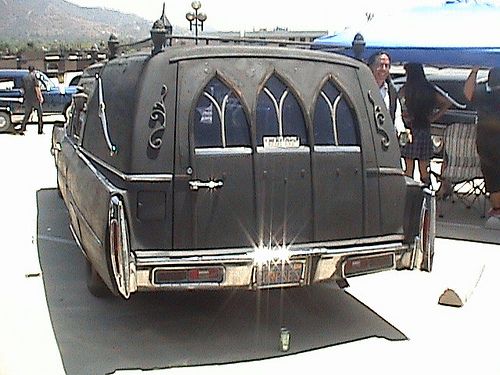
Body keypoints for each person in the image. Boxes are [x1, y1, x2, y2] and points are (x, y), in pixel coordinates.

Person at [399, 63, 451, 185]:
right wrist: (433, 117)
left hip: (408, 129)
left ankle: (409, 196)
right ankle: (426, 195)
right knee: (424, 170)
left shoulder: (406, 89)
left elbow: (398, 102)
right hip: (424, 128)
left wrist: (402, 115)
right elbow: (447, 103)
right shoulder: (429, 89)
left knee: (408, 169)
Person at [464, 66, 500, 218]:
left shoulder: (482, 91)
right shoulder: (483, 92)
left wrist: (474, 70)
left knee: (492, 179)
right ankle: (497, 209)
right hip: (488, 143)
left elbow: (467, 94)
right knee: (492, 177)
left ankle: (497, 209)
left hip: (485, 143)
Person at [367, 51, 406, 134]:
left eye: (386, 66)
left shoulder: (392, 93)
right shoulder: (364, 89)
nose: (383, 69)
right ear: (371, 67)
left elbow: (397, 118)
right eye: (381, 65)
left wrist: (402, 132)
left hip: (387, 140)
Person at [19, 65, 44, 135]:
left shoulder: (24, 78)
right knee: (40, 114)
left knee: (27, 114)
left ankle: (22, 129)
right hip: (35, 99)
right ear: (34, 70)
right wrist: (40, 97)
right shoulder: (34, 77)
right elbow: (37, 88)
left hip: (27, 98)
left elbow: (22, 89)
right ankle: (40, 130)